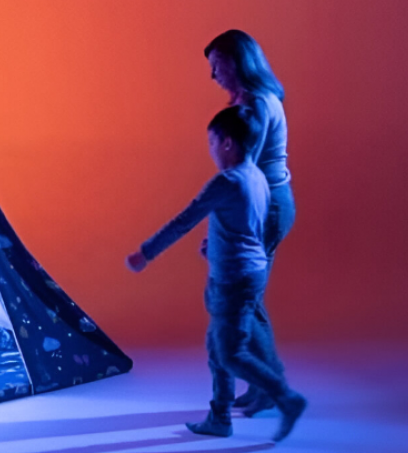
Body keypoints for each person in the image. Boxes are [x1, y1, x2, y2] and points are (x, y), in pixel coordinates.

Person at [126, 106, 307, 442]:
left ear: (226, 143)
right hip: (245, 272)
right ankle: (219, 417)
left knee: (230, 353)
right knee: (217, 347)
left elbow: (185, 220)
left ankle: (286, 398)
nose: (210, 149)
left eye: (211, 142)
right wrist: (215, 246)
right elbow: (247, 224)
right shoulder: (256, 177)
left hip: (234, 278)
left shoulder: (226, 181)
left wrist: (145, 253)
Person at [204, 29, 297, 417]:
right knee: (249, 300)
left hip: (265, 207)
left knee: (245, 298)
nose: (213, 75)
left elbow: (247, 176)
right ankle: (263, 385)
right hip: (269, 204)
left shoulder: (258, 104)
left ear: (237, 61)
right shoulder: (257, 99)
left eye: (217, 65)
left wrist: (223, 233)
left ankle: (272, 386)